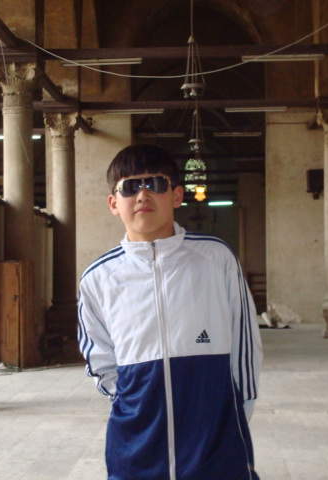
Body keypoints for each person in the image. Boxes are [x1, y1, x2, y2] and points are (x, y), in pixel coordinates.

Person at [78, 144, 263, 480]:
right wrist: (133, 403)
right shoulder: (99, 278)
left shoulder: (215, 259)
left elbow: (244, 345)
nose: (143, 195)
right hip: (136, 439)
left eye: (155, 184)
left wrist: (236, 412)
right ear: (113, 203)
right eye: (130, 187)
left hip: (215, 437)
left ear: (177, 195)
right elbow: (99, 357)